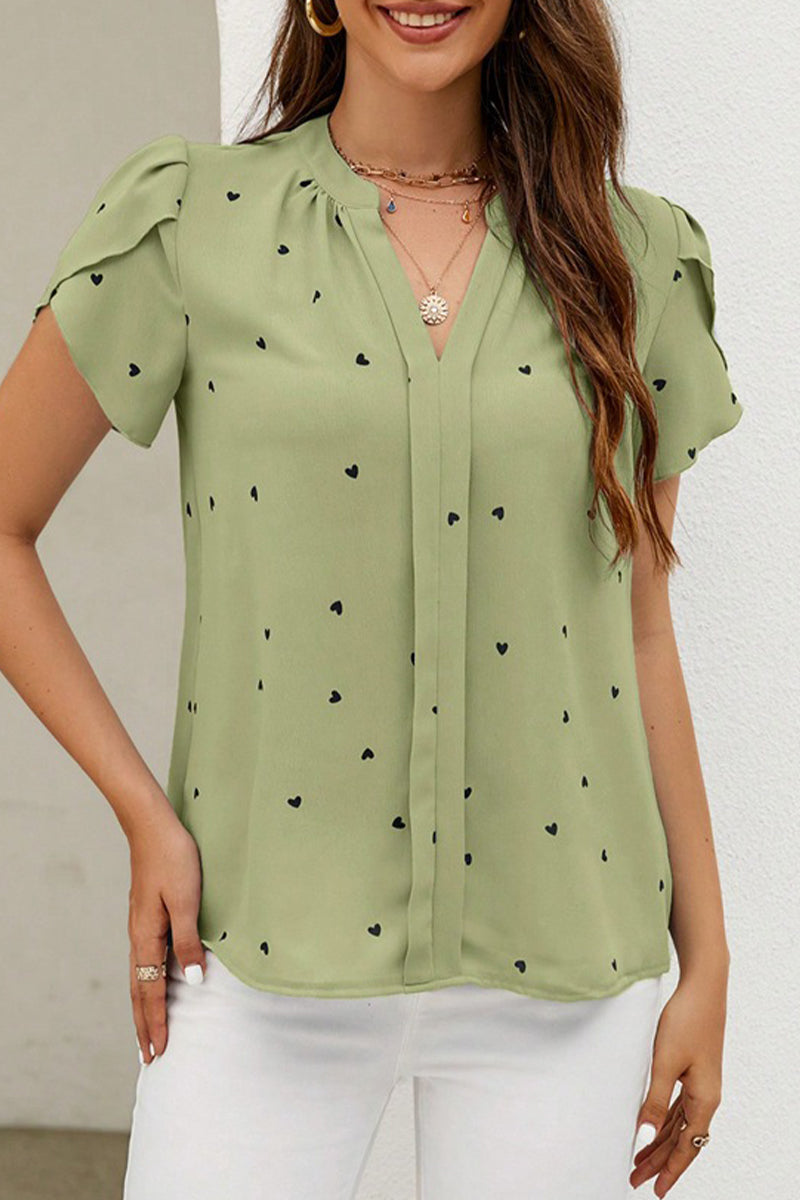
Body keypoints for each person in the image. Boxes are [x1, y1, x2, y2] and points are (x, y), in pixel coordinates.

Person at [1, 0, 743, 1196]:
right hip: (253, 956)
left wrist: (707, 962)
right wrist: (146, 817)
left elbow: (640, 629)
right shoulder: (192, 223)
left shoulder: (633, 255)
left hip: (563, 978)